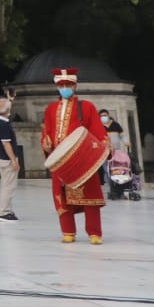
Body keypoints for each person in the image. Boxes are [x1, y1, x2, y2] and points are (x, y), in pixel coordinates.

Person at [39, 66, 106, 245]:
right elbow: (47, 131)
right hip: (60, 159)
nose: (65, 88)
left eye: (68, 84)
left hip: (82, 157)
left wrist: (103, 145)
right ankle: (68, 231)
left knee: (90, 195)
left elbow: (97, 130)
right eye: (61, 85)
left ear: (75, 86)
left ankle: (94, 232)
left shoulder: (86, 107)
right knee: (62, 196)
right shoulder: (51, 109)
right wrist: (45, 143)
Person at [0, 97, 19, 222]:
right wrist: (14, 160)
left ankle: (7, 209)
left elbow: (2, 110)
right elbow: (6, 144)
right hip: (7, 159)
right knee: (9, 186)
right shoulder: (3, 124)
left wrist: (10, 100)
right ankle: (4, 212)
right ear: (7, 110)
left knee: (6, 184)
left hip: (1, 157)